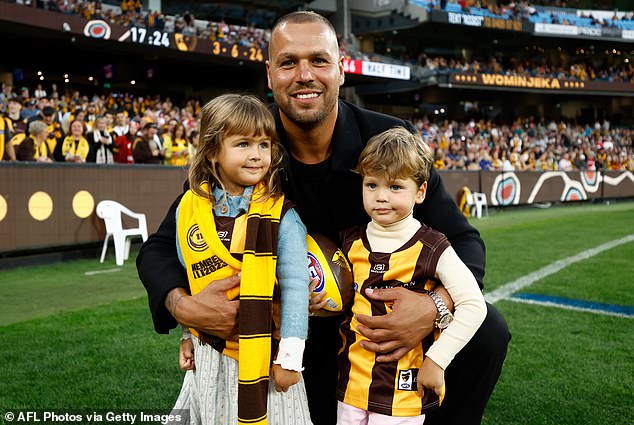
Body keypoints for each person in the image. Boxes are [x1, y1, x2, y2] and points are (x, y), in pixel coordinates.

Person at [138, 11, 510, 425]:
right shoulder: (248, 145)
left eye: (318, 60)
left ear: (340, 68)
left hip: (379, 330)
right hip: (289, 339)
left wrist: (433, 305)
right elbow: (158, 248)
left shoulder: (388, 142)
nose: (304, 75)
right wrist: (183, 306)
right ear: (269, 73)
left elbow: (465, 242)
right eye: (288, 62)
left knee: (486, 329)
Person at [169, 94, 312, 425]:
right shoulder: (189, 208)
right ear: (212, 152)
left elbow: (295, 286)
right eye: (243, 144)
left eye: (264, 144)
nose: (256, 155)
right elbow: (189, 277)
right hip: (208, 352)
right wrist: (187, 333)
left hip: (265, 355)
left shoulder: (281, 215)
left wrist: (290, 358)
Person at [335, 127, 487, 424]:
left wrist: (437, 361)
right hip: (352, 385)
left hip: (403, 392)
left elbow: (473, 304)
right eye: (371, 185)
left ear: (420, 192)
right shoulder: (349, 241)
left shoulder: (432, 247)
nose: (381, 197)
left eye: (395, 187)